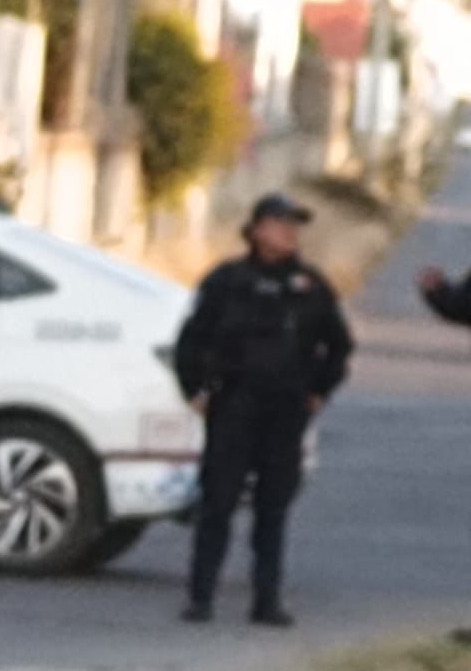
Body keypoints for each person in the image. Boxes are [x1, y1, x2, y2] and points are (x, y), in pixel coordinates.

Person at [174, 193, 355, 628]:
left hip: (285, 409)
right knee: (217, 503)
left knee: (273, 509)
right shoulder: (226, 281)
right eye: (280, 224)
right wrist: (194, 391)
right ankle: (201, 597)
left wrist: (319, 391)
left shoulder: (310, 286)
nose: (289, 233)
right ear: (256, 230)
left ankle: (266, 601)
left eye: (294, 225)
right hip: (234, 403)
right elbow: (191, 340)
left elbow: (339, 345)